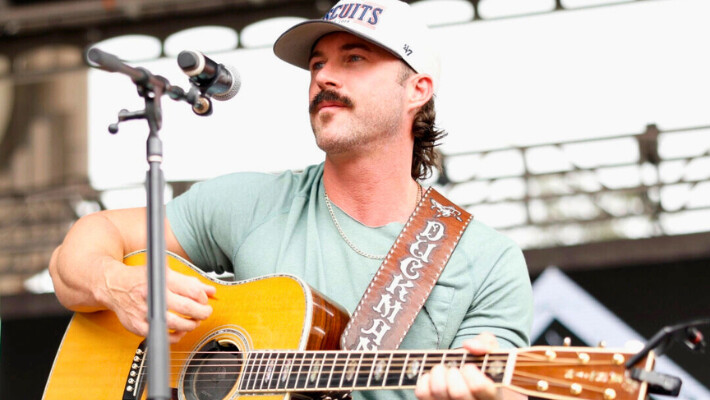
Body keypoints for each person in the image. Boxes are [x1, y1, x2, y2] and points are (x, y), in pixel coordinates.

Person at [49, 1, 533, 399]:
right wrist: (116, 283)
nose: (324, 77)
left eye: (354, 59)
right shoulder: (254, 202)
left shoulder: (487, 261)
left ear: (418, 90)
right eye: (318, 63)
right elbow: (79, 250)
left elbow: (506, 387)